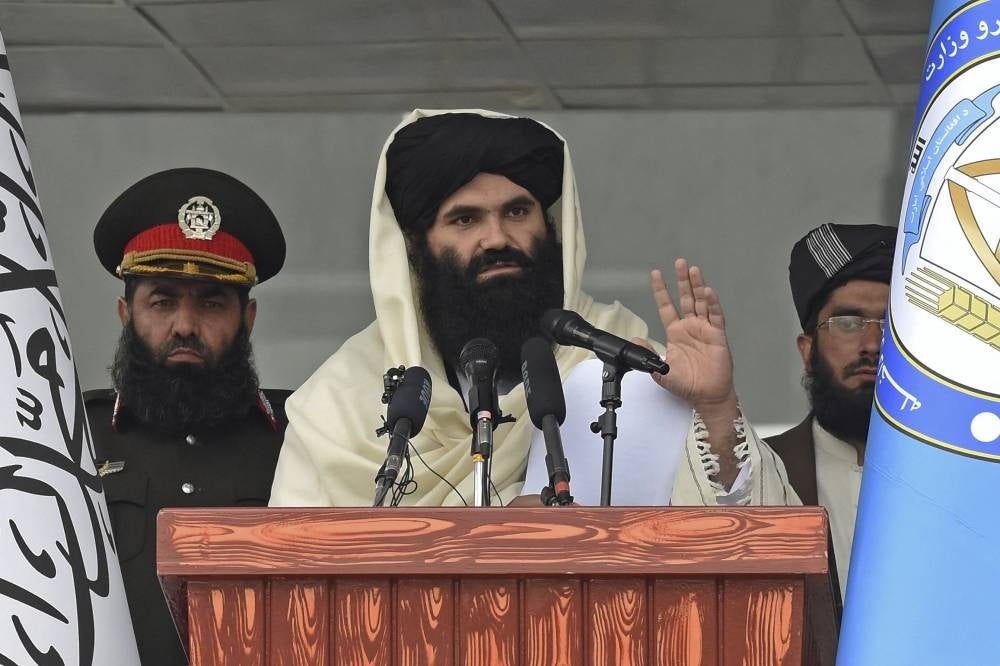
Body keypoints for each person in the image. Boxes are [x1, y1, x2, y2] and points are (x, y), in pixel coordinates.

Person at [270, 109, 795, 508]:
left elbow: (750, 538)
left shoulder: (620, 360)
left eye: (518, 212)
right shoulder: (340, 403)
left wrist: (717, 409)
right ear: (415, 246)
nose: (498, 238)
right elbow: (290, 582)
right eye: (465, 220)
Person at [88, 167, 290, 665]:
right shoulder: (76, 438)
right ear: (125, 314)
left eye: (211, 303)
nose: (185, 325)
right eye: (162, 301)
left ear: (248, 319)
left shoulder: (301, 435)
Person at [766, 222, 895, 604]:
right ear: (807, 351)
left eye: (892, 324)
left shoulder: (967, 476)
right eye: (848, 323)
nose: (872, 344)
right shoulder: (763, 471)